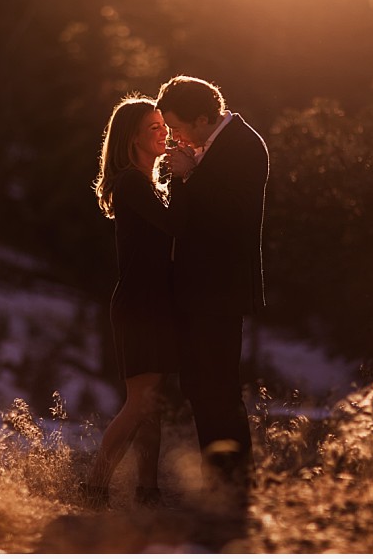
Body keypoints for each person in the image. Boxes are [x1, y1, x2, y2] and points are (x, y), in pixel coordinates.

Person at [158, 75, 269, 508]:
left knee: (218, 388)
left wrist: (192, 175)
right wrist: (185, 175)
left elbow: (235, 217)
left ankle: (233, 487)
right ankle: (218, 482)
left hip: (220, 290)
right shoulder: (207, 148)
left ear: (203, 118)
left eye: (176, 126)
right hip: (198, 291)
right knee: (200, 388)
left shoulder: (244, 145)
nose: (173, 136)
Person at [83, 94, 181, 509]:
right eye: (153, 129)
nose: (164, 134)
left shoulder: (149, 185)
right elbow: (176, 226)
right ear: (131, 139)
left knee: (152, 403)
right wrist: (186, 177)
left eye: (164, 126)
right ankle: (95, 486)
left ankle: (148, 491)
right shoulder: (131, 184)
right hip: (139, 304)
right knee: (140, 400)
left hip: (154, 304)